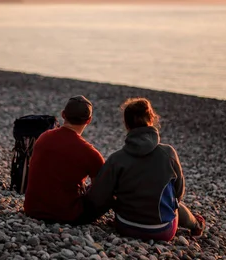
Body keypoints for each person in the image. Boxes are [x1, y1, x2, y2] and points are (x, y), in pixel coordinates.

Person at [86, 97, 205, 241]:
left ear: (126, 124)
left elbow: (99, 196)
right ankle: (196, 225)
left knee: (114, 192)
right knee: (175, 205)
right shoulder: (168, 153)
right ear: (151, 119)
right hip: (162, 231)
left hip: (125, 226)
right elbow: (178, 193)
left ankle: (131, 214)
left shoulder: (117, 159)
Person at [24, 95, 105, 224]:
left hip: (32, 209)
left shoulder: (43, 137)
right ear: (89, 120)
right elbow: (100, 192)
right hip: (66, 215)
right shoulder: (91, 154)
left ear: (63, 114)